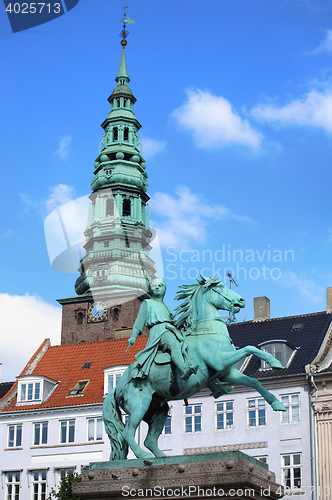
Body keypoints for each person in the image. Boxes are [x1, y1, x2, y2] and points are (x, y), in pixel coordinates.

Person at [128, 278, 198, 380]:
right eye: (154, 286)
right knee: (174, 344)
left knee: (188, 344)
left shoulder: (166, 307)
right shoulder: (147, 303)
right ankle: (184, 370)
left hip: (170, 329)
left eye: (160, 286)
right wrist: (133, 336)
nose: (157, 287)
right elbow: (139, 322)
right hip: (159, 331)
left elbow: (173, 322)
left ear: (165, 290)